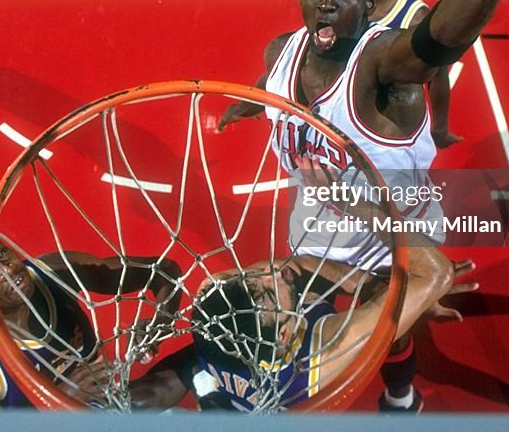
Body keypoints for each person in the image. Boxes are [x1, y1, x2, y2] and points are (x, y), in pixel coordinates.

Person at [219, 0, 509, 411]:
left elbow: (437, 40)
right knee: (282, 326)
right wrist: (247, 103)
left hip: (392, 232)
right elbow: (269, 83)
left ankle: (401, 398)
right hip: (320, 222)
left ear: (370, 4)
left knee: (388, 337)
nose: (327, 1)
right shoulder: (283, 52)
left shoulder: (383, 69)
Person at [190, 154, 455, 412]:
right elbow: (436, 274)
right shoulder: (326, 351)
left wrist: (369, 284)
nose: (274, 274)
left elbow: (296, 265)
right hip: (300, 366)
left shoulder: (215, 309)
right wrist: (346, 199)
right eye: (271, 292)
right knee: (395, 327)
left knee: (307, 275)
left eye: (252, 281)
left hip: (258, 360)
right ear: (284, 334)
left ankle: (208, 392)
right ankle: (402, 401)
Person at [0, 219, 184, 408]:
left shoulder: (55, 272)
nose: (8, 270)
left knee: (202, 363)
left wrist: (161, 320)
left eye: (3, 252)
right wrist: (57, 406)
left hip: (105, 403)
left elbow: (164, 271)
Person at [356, 0, 461, 148]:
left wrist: (440, 129)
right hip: (346, 109)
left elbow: (438, 76)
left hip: (388, 123)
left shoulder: (415, 16)